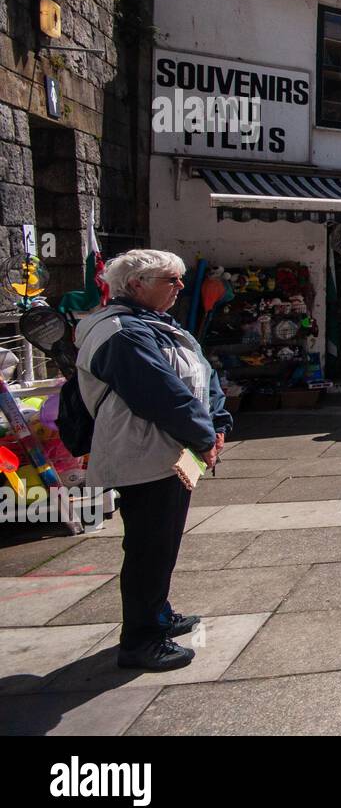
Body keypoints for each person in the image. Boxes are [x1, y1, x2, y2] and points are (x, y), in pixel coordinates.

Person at [75, 249, 232, 671]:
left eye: (181, 279)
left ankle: (157, 614)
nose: (181, 287)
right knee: (148, 547)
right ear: (137, 285)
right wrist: (203, 434)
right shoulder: (120, 332)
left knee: (163, 543)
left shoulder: (156, 322)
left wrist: (217, 422)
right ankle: (141, 641)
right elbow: (161, 394)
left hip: (171, 450)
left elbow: (202, 373)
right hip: (143, 454)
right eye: (171, 280)